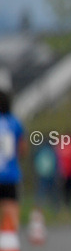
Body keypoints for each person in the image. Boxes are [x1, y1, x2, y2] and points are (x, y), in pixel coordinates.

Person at [0, 91, 27, 230]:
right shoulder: (15, 123)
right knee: (10, 207)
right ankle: (9, 240)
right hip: (10, 173)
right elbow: (22, 148)